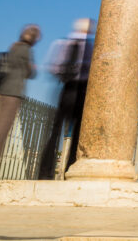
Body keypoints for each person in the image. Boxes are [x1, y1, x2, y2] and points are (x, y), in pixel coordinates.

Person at [0, 24, 40, 179]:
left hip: (4, 91)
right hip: (13, 94)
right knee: (1, 132)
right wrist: (32, 67)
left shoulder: (14, 47)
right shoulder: (26, 50)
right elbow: (31, 73)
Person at [38, 18, 94, 180]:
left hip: (67, 88)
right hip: (78, 90)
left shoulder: (61, 43)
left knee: (56, 131)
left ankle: (45, 172)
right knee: (76, 133)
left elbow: (52, 66)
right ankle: (69, 170)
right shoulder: (91, 47)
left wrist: (63, 73)